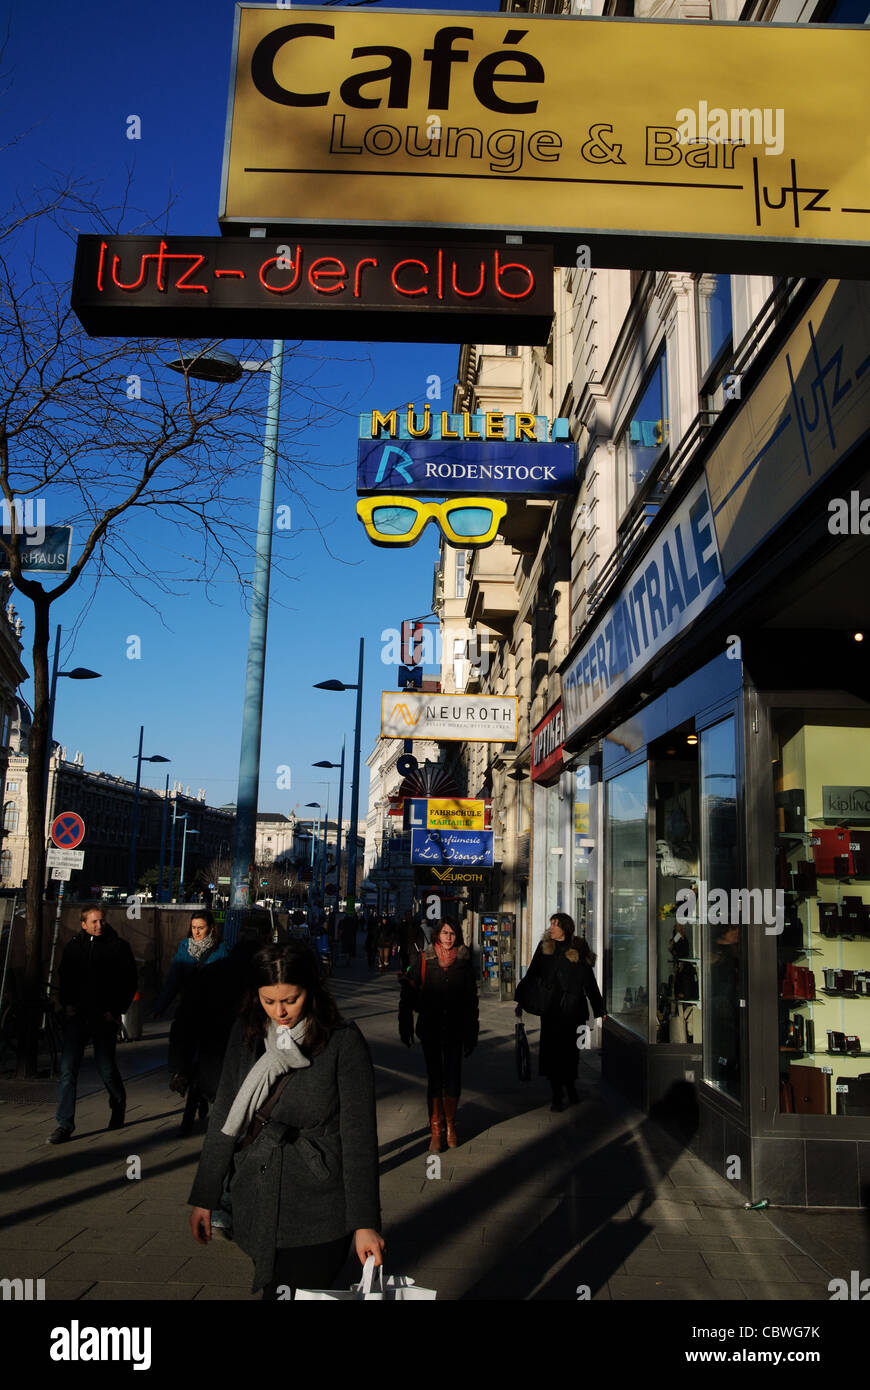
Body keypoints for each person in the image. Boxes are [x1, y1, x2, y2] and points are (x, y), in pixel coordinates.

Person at [188, 941, 384, 1299]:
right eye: (269, 1001)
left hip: (319, 1205)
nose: (280, 1011)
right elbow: (225, 1114)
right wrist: (206, 1196)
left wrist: (365, 1223)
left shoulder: (342, 1041)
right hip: (257, 1196)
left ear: (310, 990)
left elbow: (359, 1138)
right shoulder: (246, 1034)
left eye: (291, 1000)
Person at [46, 905, 138, 1144]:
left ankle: (118, 1103)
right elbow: (64, 976)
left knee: (106, 1068)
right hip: (77, 1016)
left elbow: (128, 982)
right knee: (67, 1070)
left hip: (103, 1017)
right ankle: (64, 1124)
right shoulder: (74, 946)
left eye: (101, 921)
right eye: (94, 922)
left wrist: (115, 1010)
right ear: (83, 924)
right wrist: (66, 1003)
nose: (99, 925)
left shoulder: (117, 947)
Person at [398, 920, 478, 1152]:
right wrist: (405, 1027)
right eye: (445, 933)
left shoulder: (463, 963)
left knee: (453, 1077)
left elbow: (471, 1001)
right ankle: (436, 1129)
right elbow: (408, 995)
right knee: (435, 1079)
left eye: (453, 933)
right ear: (437, 936)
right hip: (431, 1027)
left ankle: (451, 1125)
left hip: (455, 1028)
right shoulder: (424, 960)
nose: (449, 937)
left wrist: (472, 1032)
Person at [516, 912, 606, 1112]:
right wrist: (520, 999)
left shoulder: (578, 949)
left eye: (555, 924)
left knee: (570, 1053)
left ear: (565, 927)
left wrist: (600, 1009)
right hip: (551, 1009)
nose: (551, 928)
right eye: (550, 924)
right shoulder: (544, 948)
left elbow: (588, 982)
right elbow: (532, 974)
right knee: (552, 1053)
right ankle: (557, 1094)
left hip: (573, 1010)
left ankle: (570, 1085)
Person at [153, 910, 228, 1096]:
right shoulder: (184, 947)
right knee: (179, 1037)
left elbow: (226, 981)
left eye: (200, 928)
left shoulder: (221, 950)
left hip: (211, 1009)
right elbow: (173, 980)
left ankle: (207, 1088)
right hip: (188, 1005)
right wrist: (159, 1007)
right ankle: (179, 1075)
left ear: (210, 929)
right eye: (194, 928)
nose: (196, 932)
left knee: (208, 1050)